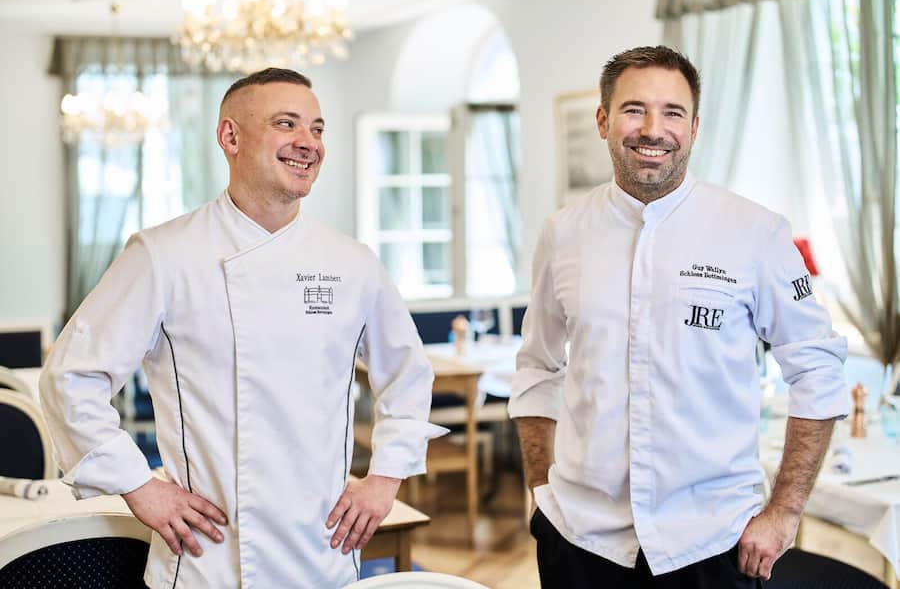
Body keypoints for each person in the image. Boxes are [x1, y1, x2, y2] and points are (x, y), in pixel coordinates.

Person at [40, 68, 446, 588]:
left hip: (322, 552)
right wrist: (139, 486)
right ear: (230, 136)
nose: (308, 143)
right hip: (209, 561)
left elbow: (408, 375)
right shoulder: (163, 254)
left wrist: (385, 478)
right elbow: (70, 377)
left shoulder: (353, 261)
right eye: (287, 124)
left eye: (318, 129)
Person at [509, 46, 847, 588]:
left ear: (694, 127)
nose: (653, 129)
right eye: (633, 109)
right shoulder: (563, 232)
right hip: (579, 539)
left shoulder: (755, 231)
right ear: (603, 120)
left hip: (712, 544)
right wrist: (538, 491)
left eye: (672, 113)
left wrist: (784, 512)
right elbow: (536, 368)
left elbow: (818, 369)